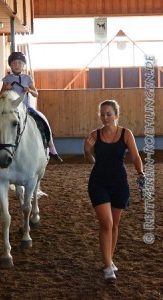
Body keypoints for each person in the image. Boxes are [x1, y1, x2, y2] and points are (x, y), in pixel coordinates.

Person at [84, 99, 144, 282]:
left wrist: (141, 173)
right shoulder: (95, 135)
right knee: (106, 223)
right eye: (102, 114)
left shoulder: (126, 134)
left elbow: (135, 156)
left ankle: (108, 259)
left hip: (119, 184)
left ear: (117, 115)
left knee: (115, 225)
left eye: (109, 114)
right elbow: (90, 161)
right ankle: (108, 267)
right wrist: (87, 149)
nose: (105, 117)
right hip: (98, 183)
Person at [0, 52, 63, 163]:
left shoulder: (28, 78)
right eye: (14, 63)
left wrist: (29, 90)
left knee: (42, 120)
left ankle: (52, 149)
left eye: (20, 63)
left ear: (23, 65)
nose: (17, 65)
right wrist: (6, 88)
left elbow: (36, 94)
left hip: (26, 108)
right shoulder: (7, 78)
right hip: (10, 109)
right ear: (10, 65)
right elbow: (0, 94)